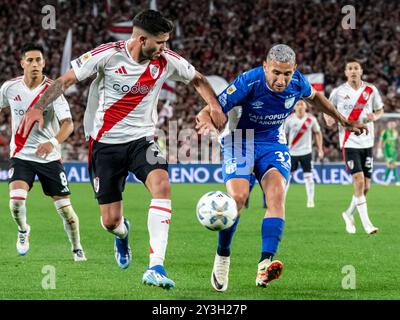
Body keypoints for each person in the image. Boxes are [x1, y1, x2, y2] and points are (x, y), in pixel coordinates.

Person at [18, 10, 225, 289]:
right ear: (142, 39)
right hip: (105, 146)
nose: (165, 48)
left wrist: (213, 105)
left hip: (143, 140)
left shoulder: (166, 61)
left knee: (162, 186)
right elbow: (66, 80)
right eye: (160, 42)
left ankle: (156, 267)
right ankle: (122, 235)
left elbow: (197, 79)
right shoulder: (107, 55)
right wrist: (38, 106)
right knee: (110, 222)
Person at [196, 44, 367, 292]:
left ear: (294, 70)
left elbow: (316, 97)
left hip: (272, 142)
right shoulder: (248, 82)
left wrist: (344, 121)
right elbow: (212, 107)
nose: (281, 80)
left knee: (277, 197)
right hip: (239, 140)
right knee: (238, 198)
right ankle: (223, 256)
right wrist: (205, 121)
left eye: (287, 73)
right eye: (276, 72)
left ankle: (264, 264)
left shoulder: (298, 82)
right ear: (265, 67)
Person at [0, 43, 86, 261]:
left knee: (66, 211)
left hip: (49, 158)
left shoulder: (53, 91)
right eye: (30, 60)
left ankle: (76, 247)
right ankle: (23, 231)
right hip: (21, 156)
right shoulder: (9, 88)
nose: (35, 64)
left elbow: (68, 124)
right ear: (22, 63)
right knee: (16, 202)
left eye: (39, 60)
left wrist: (53, 142)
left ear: (44, 63)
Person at [325, 58, 384, 235]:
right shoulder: (338, 92)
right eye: (349, 68)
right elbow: (327, 109)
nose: (352, 71)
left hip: (367, 142)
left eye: (355, 68)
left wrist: (376, 116)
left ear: (361, 71)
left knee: (366, 187)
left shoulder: (370, 90)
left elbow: (379, 109)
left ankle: (348, 214)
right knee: (358, 181)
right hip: (349, 142)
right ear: (345, 72)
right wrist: (328, 119)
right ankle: (367, 225)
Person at [285, 100, 324, 208]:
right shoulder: (289, 120)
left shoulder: (311, 119)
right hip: (292, 152)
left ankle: (310, 201)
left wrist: (320, 148)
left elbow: (317, 133)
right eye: (298, 104)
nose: (300, 106)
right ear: (294, 107)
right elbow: (283, 135)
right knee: (286, 178)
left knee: (308, 177)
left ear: (306, 106)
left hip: (306, 152)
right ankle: (281, 201)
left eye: (302, 104)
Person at [377, 120, 400, 185]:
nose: (392, 125)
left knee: (391, 165)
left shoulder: (396, 132)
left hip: (394, 152)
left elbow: (398, 141)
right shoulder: (384, 132)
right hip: (386, 151)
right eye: (390, 124)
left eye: (393, 124)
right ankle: (396, 181)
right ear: (388, 125)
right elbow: (380, 141)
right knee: (390, 165)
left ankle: (385, 181)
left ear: (395, 125)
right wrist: (379, 150)